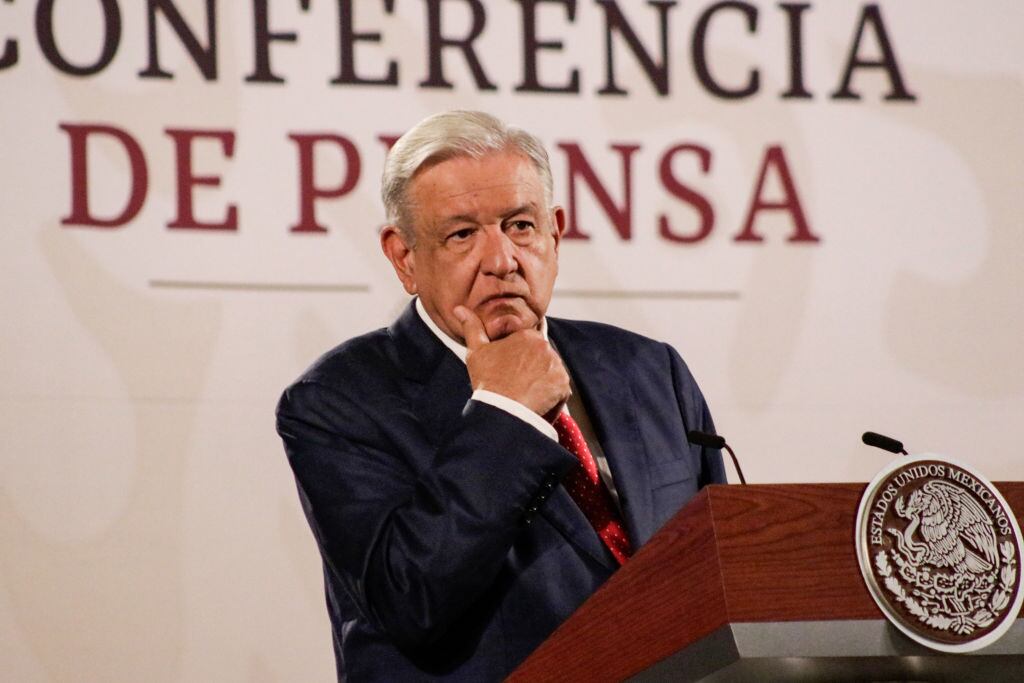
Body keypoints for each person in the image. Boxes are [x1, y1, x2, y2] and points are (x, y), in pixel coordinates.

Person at [276, 110, 725, 681]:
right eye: (462, 234)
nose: (502, 260)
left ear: (555, 233)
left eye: (520, 226)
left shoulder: (647, 369)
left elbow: (714, 571)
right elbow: (412, 601)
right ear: (404, 257)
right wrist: (506, 413)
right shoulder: (337, 402)